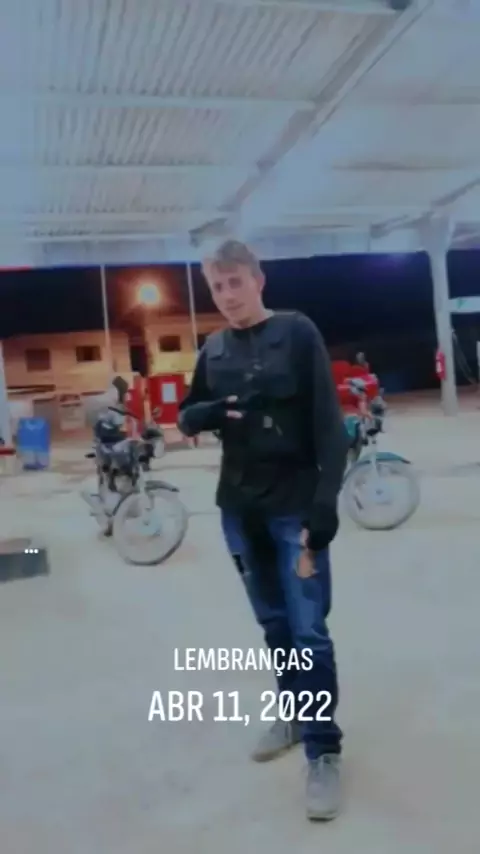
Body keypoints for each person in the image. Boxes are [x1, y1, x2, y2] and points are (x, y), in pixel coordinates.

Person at [178, 240, 349, 821]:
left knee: (309, 631)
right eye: (217, 286)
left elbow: (329, 424)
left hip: (294, 512)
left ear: (258, 280)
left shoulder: (297, 333)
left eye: (236, 283)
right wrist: (197, 415)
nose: (227, 296)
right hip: (239, 511)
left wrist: (325, 503)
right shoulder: (214, 349)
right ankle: (296, 716)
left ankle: (323, 750)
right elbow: (188, 413)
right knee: (275, 626)